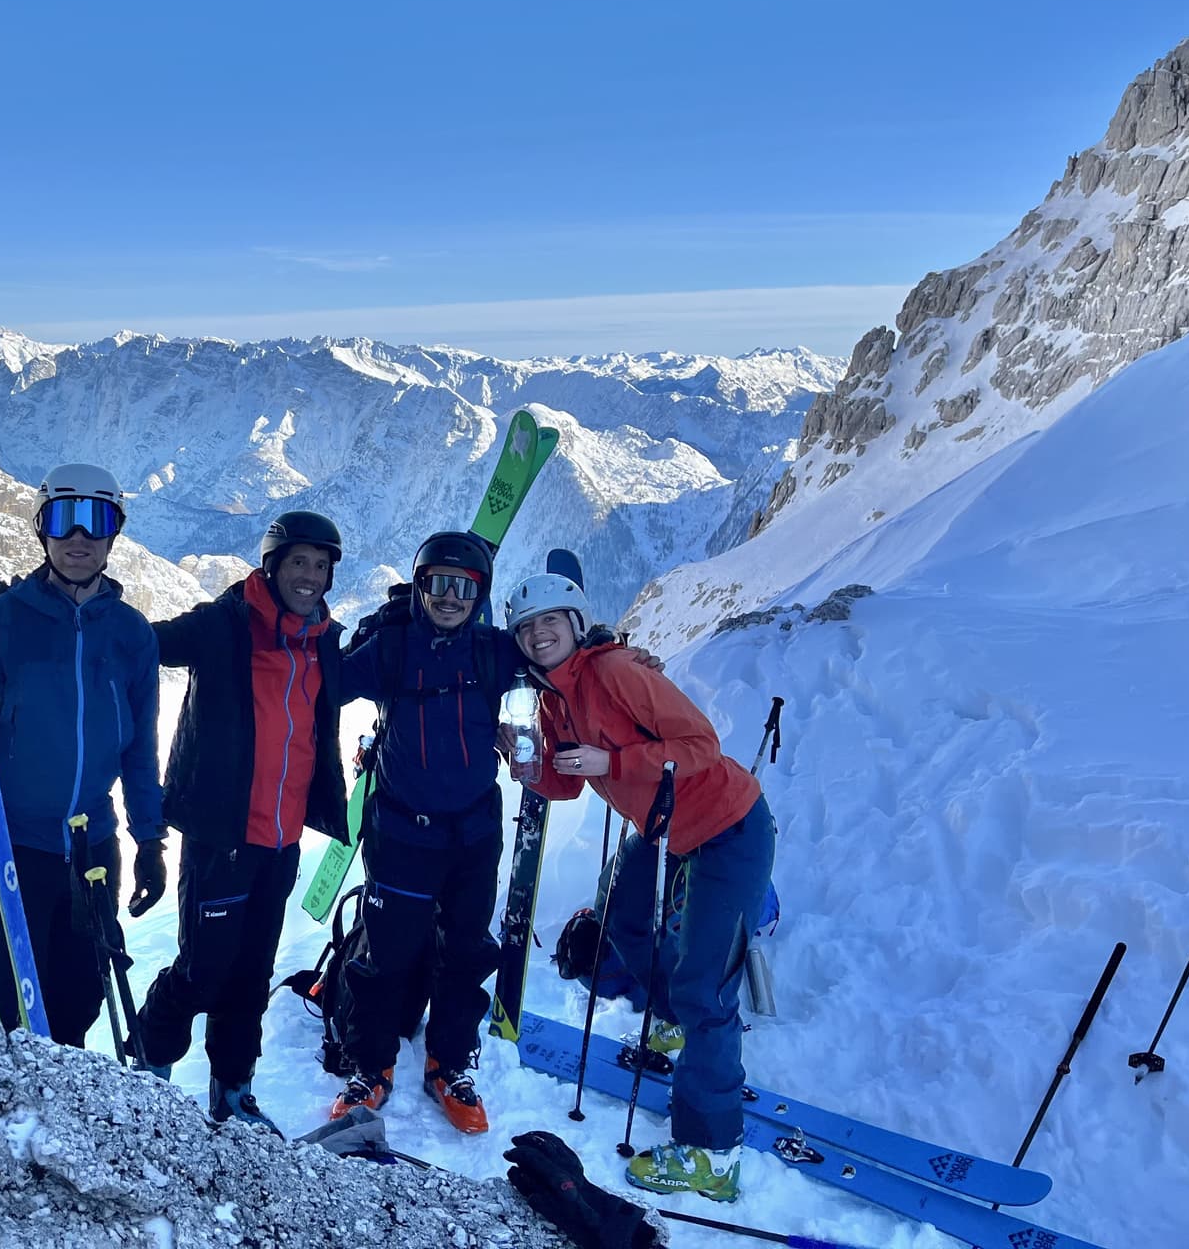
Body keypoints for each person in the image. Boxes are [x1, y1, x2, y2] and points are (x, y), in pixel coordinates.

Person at [504, 571, 775, 1204]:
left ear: (575, 623)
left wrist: (615, 763)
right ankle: (675, 1022)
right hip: (666, 828)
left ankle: (712, 1156)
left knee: (706, 986)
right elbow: (568, 783)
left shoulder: (616, 672)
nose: (540, 634)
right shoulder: (552, 697)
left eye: (551, 621)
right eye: (528, 627)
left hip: (729, 824)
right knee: (622, 920)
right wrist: (530, 768)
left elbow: (700, 744)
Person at [0, 462, 167, 1049]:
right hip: (16, 848)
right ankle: (21, 1108)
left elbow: (139, 749)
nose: (80, 537)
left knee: (82, 990)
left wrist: (151, 841)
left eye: (97, 519)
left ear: (115, 533)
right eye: (65, 520)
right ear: (42, 530)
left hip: (94, 848)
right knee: (16, 999)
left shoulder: (131, 634)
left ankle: (68, 1100)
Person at [136, 510, 352, 1133]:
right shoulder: (224, 625)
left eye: (321, 566)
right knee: (204, 970)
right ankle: (152, 1056)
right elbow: (147, 642)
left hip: (281, 844)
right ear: (273, 566)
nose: (309, 576)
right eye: (298, 563)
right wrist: (86, 611)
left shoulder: (324, 642)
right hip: (221, 838)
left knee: (252, 972)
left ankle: (234, 1089)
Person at [327, 529, 521, 1133]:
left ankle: (450, 1065)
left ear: (480, 593)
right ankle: (370, 1067)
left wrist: (606, 649)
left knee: (464, 954)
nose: (450, 596)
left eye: (464, 586)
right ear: (419, 586)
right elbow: (322, 684)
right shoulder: (390, 649)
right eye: (438, 582)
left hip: (473, 835)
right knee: (386, 955)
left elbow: (561, 664)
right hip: (403, 835)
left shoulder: (494, 652)